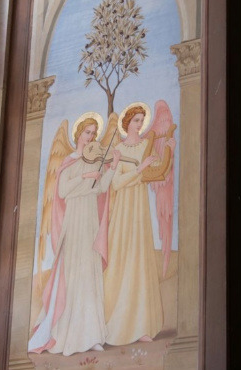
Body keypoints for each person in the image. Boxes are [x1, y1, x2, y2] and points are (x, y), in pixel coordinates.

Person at [29, 117, 121, 356]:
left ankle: (92, 335)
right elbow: (62, 191)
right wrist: (85, 177)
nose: (90, 137)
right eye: (87, 132)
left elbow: (101, 189)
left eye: (93, 133)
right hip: (74, 221)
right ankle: (68, 335)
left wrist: (111, 167)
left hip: (89, 220)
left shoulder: (96, 160)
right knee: (73, 275)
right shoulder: (69, 161)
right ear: (78, 134)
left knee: (89, 274)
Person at [103, 105, 175, 346]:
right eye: (136, 120)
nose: (140, 124)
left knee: (139, 262)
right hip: (123, 212)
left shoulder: (146, 145)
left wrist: (170, 151)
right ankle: (115, 323)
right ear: (127, 123)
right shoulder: (119, 149)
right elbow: (116, 183)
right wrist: (140, 169)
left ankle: (141, 326)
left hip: (139, 212)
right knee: (121, 262)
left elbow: (158, 173)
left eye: (142, 120)